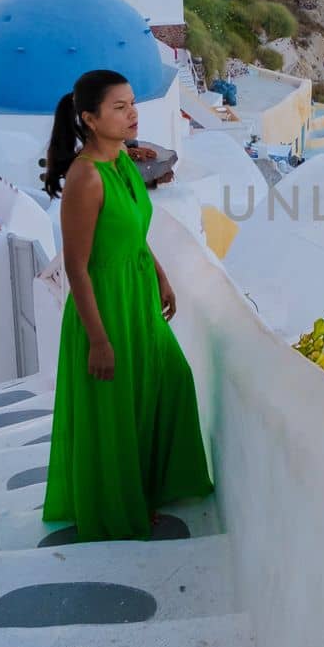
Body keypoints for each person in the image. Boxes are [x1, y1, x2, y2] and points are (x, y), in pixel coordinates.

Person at [40, 69, 213, 540]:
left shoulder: (121, 163)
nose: (133, 113)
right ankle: (121, 504)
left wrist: (160, 275)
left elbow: (133, 231)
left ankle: (151, 485)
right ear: (90, 119)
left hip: (136, 291)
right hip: (105, 303)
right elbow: (76, 266)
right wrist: (98, 339)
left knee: (168, 380)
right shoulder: (87, 179)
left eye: (133, 103)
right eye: (120, 107)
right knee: (116, 407)